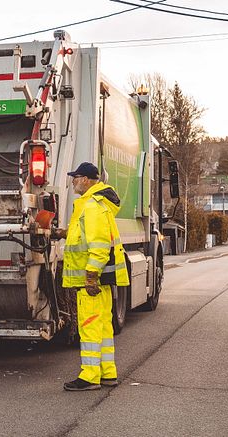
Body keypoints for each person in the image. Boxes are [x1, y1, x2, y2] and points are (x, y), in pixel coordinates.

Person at [59, 162, 129, 391]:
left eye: (76, 177)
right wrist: (63, 233)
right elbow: (87, 236)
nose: (72, 181)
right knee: (103, 327)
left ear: (87, 179)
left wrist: (90, 276)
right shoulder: (95, 204)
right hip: (101, 281)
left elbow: (99, 245)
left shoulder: (92, 205)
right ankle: (108, 373)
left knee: (89, 326)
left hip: (91, 281)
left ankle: (89, 376)